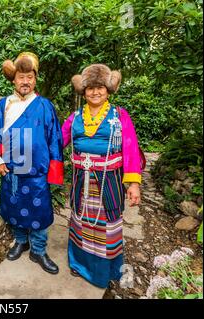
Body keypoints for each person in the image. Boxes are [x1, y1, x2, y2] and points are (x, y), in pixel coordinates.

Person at [62, 64, 142, 288]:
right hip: (82, 180)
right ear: (83, 91)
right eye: (90, 88)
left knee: (107, 224)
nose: (95, 92)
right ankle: (79, 264)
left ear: (108, 89)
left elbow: (130, 148)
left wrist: (133, 184)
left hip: (109, 181)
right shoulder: (75, 117)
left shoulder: (119, 117)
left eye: (100, 87)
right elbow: (58, 141)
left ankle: (103, 272)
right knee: (81, 221)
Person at [0, 52, 64, 274]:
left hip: (37, 171)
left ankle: (38, 250)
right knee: (14, 208)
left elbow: (54, 138)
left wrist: (55, 169)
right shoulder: (3, 105)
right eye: (21, 77)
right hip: (11, 170)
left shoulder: (45, 105)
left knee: (39, 213)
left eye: (30, 77)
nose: (25, 81)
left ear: (35, 79)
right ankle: (21, 241)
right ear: (14, 79)